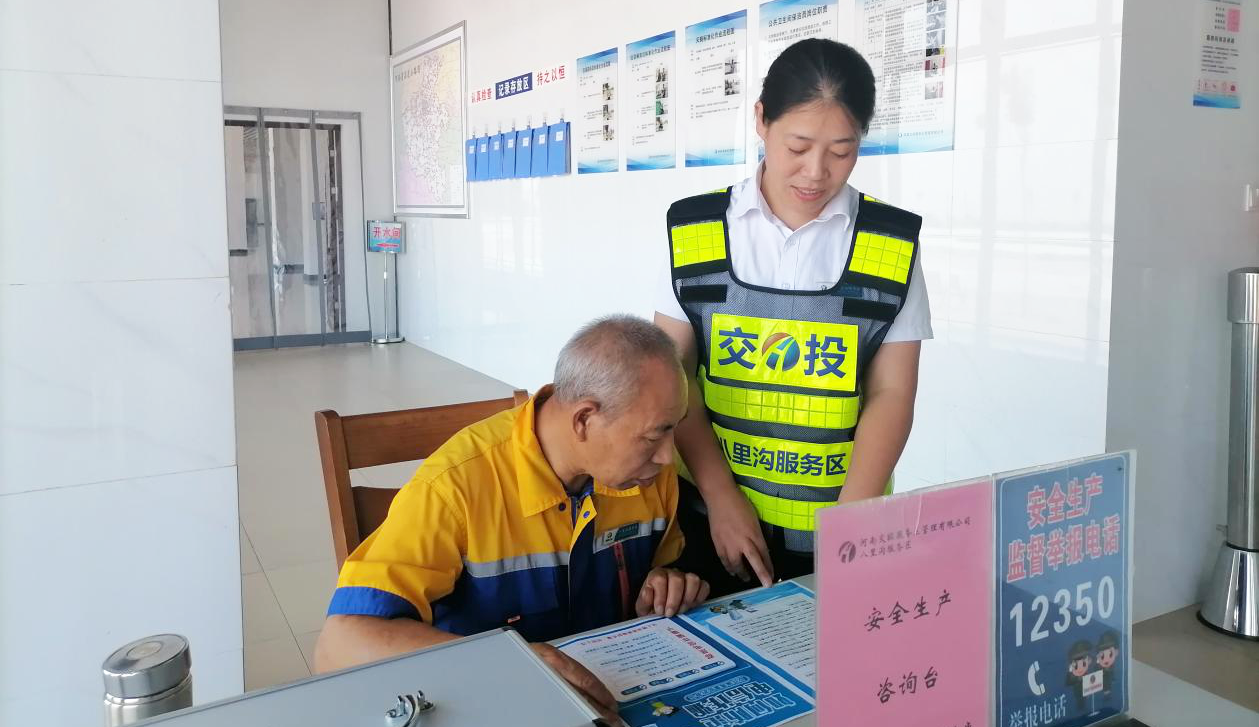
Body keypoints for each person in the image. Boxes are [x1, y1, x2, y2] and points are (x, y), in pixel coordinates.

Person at [314, 315, 710, 722]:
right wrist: (510, 663)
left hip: (611, 692)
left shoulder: (646, 476)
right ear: (583, 420)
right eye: (653, 436)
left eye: (673, 430)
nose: (668, 456)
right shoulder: (455, 487)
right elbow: (339, 644)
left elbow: (664, 563)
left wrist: (665, 580)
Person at [655, 38, 932, 596]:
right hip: (710, 521)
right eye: (798, 147)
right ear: (761, 120)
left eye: (841, 151)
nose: (816, 172)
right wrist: (722, 497)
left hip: (839, 525)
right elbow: (674, 380)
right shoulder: (695, 229)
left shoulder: (889, 241)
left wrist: (848, 529)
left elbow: (892, 393)